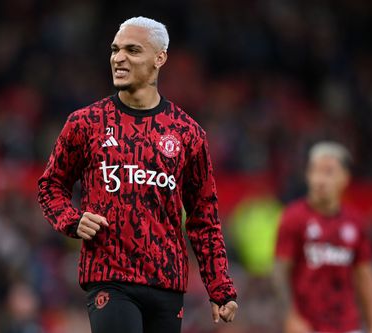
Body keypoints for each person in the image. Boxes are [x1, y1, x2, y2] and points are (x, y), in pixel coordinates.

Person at [37, 16, 238, 333]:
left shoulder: (187, 133)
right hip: (109, 277)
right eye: (115, 50)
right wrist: (71, 219)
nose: (119, 58)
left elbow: (204, 216)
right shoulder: (85, 124)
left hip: (167, 283)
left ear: (160, 58)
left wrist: (220, 287)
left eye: (132, 50)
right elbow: (51, 186)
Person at [274, 142, 372, 333]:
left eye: (328, 172)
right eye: (314, 171)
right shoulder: (294, 217)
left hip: (347, 325)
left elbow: (365, 275)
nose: (319, 180)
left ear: (345, 178)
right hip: (307, 326)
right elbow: (280, 271)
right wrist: (290, 316)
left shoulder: (355, 222)